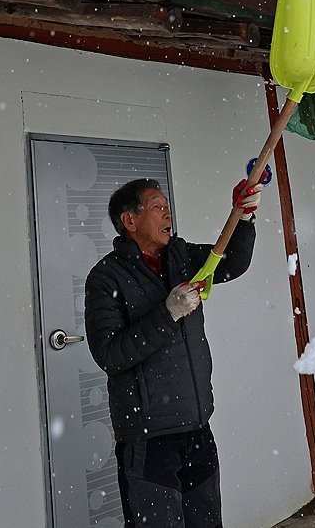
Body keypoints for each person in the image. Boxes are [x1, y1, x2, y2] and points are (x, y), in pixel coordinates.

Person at [85, 177, 262, 528]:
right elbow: (110, 354)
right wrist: (167, 313)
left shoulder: (180, 257)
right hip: (149, 439)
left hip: (197, 427)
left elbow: (231, 262)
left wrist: (243, 217)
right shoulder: (106, 278)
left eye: (167, 205)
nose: (167, 212)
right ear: (130, 221)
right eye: (157, 206)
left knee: (206, 522)